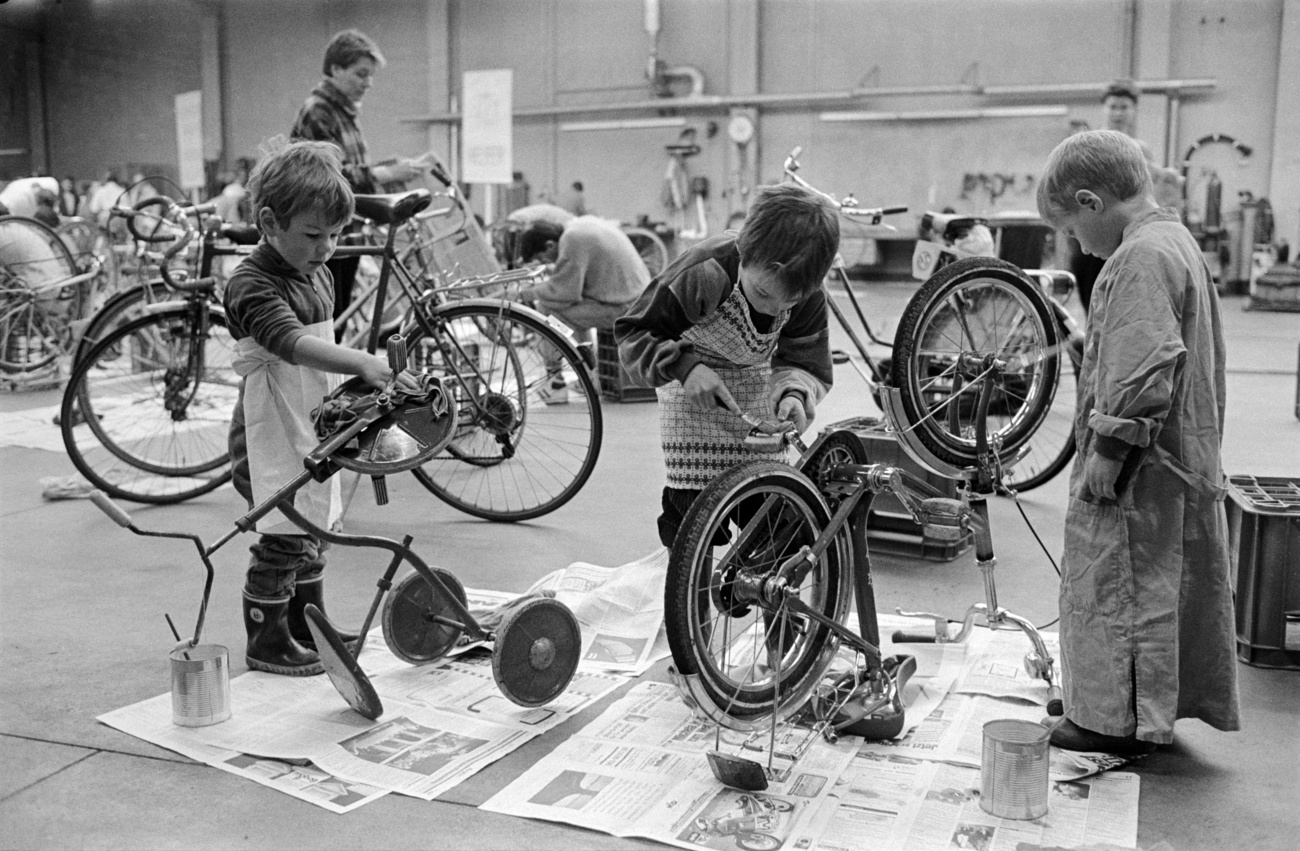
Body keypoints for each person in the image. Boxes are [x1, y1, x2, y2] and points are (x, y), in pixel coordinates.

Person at [1035, 129, 1240, 754]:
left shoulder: (1138, 259)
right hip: (1178, 457)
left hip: (1142, 465)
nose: (1077, 244)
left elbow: (1143, 361)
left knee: (1115, 584)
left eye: (1071, 228)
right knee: (1157, 586)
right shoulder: (1174, 239)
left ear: (1092, 202)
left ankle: (1106, 719)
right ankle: (1131, 702)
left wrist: (1110, 448)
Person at [223, 139, 421, 676]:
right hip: (271, 428)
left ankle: (307, 620)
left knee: (314, 528)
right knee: (283, 535)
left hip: (314, 420)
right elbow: (288, 341)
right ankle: (266, 638)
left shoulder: (318, 272)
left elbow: (319, 348)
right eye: (313, 235)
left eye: (336, 235)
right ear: (268, 222)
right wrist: (361, 360)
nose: (326, 248)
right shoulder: (250, 282)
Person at [615, 182, 837, 547]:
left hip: (756, 396)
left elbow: (805, 361)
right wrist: (685, 368)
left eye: (788, 302)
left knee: (773, 521)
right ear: (745, 252)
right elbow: (634, 336)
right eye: (764, 294)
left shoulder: (808, 293)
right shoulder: (705, 272)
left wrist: (795, 392)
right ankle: (692, 595)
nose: (773, 309)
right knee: (693, 523)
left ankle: (741, 595)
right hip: (692, 400)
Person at [291, 29, 438, 334]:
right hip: (322, 233)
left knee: (336, 319)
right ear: (335, 69)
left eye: (370, 76)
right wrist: (387, 174)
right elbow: (330, 176)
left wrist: (393, 167)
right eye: (360, 74)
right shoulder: (319, 111)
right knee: (322, 323)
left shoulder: (345, 113)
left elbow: (355, 170)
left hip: (345, 230)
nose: (367, 83)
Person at [513, 207, 652, 401]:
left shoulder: (573, 240)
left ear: (550, 245)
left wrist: (523, 293)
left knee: (547, 308)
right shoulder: (580, 226)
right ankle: (587, 375)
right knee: (561, 308)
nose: (544, 262)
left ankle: (556, 381)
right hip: (638, 299)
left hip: (627, 308)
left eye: (541, 258)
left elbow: (565, 293)